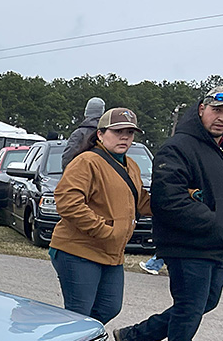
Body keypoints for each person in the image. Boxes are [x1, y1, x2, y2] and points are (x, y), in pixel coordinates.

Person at [113, 86, 223, 341]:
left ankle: (133, 337)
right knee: (190, 306)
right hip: (186, 245)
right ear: (202, 109)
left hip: (217, 246)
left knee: (203, 303)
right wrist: (215, 222)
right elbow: (169, 199)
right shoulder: (178, 147)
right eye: (217, 110)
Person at [49, 107, 151, 325]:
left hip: (111, 252)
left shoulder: (130, 165)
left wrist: (184, 199)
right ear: (100, 134)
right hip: (77, 250)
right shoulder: (86, 161)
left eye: (130, 133)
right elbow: (68, 202)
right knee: (79, 314)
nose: (125, 137)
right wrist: (105, 231)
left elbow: (141, 201)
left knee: (109, 308)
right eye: (118, 131)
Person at [62, 97, 106, 170]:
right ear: (102, 112)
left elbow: (67, 158)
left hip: (81, 175)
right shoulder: (108, 133)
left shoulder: (78, 134)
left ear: (86, 113)